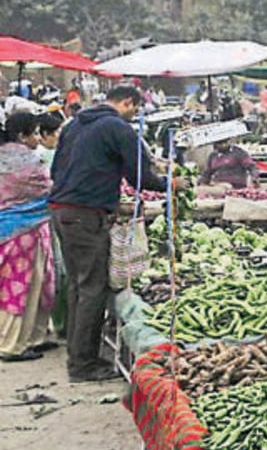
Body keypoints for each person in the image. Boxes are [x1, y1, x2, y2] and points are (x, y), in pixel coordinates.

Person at [48, 86, 183, 382]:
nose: (135, 115)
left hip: (62, 210)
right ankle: (83, 365)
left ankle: (77, 352)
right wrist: (171, 184)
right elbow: (140, 176)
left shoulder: (74, 124)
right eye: (135, 109)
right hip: (85, 215)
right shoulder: (117, 127)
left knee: (78, 285)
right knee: (94, 287)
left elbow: (57, 170)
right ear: (127, 103)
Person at [0, 112, 56, 362]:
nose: (37, 138)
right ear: (22, 136)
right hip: (23, 231)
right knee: (22, 286)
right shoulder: (25, 160)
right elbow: (47, 188)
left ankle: (32, 338)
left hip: (12, 228)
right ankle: (11, 344)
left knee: (29, 285)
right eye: (34, 133)